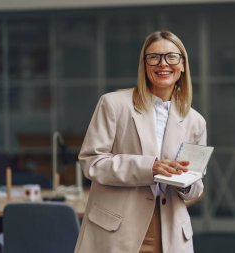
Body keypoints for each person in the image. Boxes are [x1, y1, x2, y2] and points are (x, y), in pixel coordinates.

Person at [74, 30, 207, 253]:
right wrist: (150, 167)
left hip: (171, 233)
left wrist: (187, 182)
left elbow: (197, 187)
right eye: (154, 57)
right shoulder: (113, 104)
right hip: (116, 230)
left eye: (171, 56)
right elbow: (92, 163)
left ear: (182, 65)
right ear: (144, 65)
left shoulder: (195, 121)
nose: (163, 63)